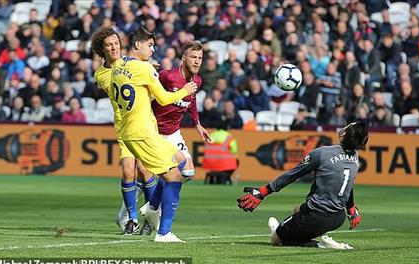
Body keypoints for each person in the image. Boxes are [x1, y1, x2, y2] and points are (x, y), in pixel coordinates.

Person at [111, 27, 197, 242]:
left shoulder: (119, 65)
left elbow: (132, 76)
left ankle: (151, 207)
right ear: (137, 45)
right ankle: (164, 232)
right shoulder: (145, 70)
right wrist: (185, 91)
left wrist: (147, 69)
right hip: (142, 132)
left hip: (131, 130)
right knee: (174, 176)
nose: (152, 49)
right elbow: (165, 99)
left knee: (181, 162)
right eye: (149, 45)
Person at [237, 121, 368, 249]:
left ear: (345, 133)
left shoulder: (323, 153)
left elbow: (293, 174)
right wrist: (351, 210)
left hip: (315, 216)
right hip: (338, 217)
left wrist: (263, 191)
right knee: (297, 209)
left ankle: (320, 244)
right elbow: (348, 184)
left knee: (276, 240)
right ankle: (312, 233)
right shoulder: (355, 157)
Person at [91, 27, 155, 235]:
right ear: (102, 50)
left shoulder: (134, 63)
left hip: (143, 124)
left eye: (116, 43)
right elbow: (121, 84)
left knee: (145, 171)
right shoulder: (102, 74)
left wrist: (147, 70)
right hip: (123, 126)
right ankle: (132, 219)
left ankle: (152, 217)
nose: (114, 47)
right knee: (128, 170)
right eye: (109, 45)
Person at [152, 40, 211, 179]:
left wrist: (197, 123)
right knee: (147, 176)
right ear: (183, 58)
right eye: (193, 57)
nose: (197, 62)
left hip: (173, 132)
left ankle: (153, 201)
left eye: (199, 58)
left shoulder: (197, 81)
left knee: (188, 172)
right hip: (154, 131)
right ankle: (134, 199)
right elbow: (148, 87)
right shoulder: (167, 76)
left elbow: (192, 100)